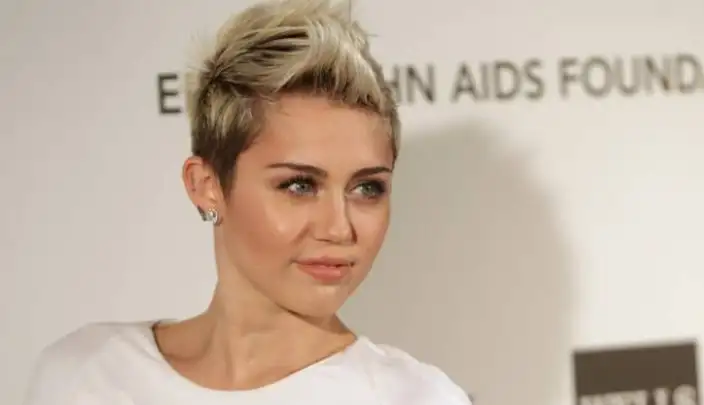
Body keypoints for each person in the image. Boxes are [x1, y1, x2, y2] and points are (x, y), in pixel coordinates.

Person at [22, 0, 472, 404]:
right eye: (299, 185)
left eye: (367, 188)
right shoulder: (84, 375)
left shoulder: (416, 398)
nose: (339, 228)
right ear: (207, 185)